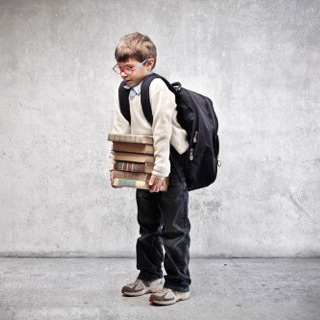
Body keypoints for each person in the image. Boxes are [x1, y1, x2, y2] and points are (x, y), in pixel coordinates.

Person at [108, 32, 191, 306]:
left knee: (174, 228)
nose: (123, 73)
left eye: (129, 67)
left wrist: (160, 171)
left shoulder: (157, 89)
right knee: (147, 225)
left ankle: (178, 285)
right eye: (119, 67)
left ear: (149, 63)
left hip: (170, 164)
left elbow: (162, 132)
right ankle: (150, 276)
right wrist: (116, 168)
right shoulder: (123, 91)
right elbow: (120, 133)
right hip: (143, 164)